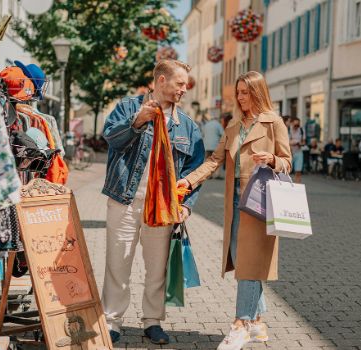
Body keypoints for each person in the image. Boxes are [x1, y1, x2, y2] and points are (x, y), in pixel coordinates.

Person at [177, 71, 292, 350]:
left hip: (261, 204)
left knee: (249, 266)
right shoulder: (233, 126)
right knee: (244, 262)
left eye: (246, 92)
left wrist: (273, 159)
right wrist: (189, 180)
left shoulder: (273, 122)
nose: (241, 98)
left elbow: (287, 162)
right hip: (235, 203)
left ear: (258, 92)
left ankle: (240, 324)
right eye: (238, 93)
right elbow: (215, 160)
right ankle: (258, 322)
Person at [101, 59, 205, 344]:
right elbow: (109, 136)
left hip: (161, 206)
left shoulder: (187, 126)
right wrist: (137, 120)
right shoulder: (128, 107)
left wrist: (186, 204)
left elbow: (195, 171)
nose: (184, 90)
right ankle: (112, 321)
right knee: (117, 264)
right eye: (179, 83)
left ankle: (152, 321)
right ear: (161, 81)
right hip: (125, 199)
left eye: (186, 85)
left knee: (157, 267)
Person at [202, 114, 225, 179]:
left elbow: (202, 134)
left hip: (207, 146)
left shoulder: (206, 125)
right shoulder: (218, 124)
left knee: (208, 161)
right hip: (215, 145)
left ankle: (208, 175)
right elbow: (223, 134)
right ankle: (217, 175)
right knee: (216, 160)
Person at [289, 116, 306, 183]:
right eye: (295, 125)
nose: (297, 126)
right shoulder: (288, 130)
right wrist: (294, 143)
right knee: (287, 171)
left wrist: (301, 144)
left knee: (298, 172)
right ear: (292, 123)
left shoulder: (301, 130)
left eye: (298, 125)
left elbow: (304, 141)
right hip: (290, 152)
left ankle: (297, 187)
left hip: (299, 152)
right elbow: (286, 142)